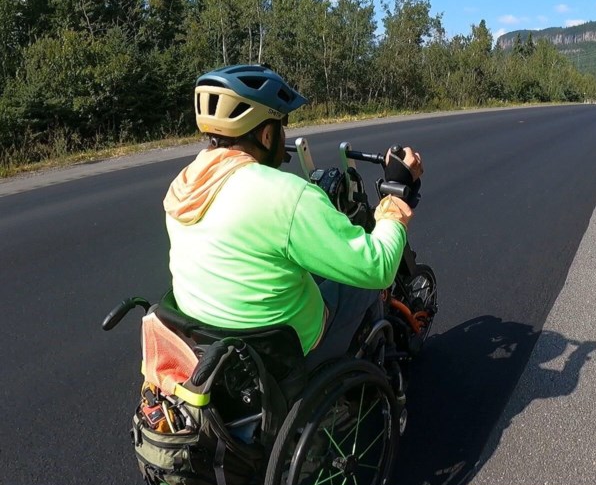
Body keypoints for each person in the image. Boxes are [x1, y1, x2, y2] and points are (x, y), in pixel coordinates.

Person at [162, 64, 423, 358]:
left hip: (212, 341)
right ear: (266, 136)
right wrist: (394, 192)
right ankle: (378, 359)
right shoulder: (285, 195)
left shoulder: (185, 184)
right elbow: (379, 267)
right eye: (282, 125)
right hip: (283, 347)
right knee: (365, 285)